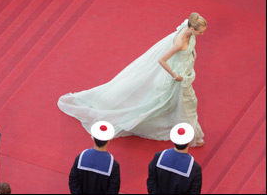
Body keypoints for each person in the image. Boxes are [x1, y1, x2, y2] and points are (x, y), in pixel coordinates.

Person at [58, 12, 207, 147]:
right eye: (200, 32)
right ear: (192, 29)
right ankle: (195, 137)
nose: (201, 34)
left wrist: (192, 55)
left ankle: (191, 133)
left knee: (183, 104)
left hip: (185, 73)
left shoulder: (188, 26)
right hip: (179, 79)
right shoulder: (180, 42)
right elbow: (162, 60)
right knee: (188, 103)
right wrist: (175, 76)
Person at [147, 123, 202, 194]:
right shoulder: (194, 168)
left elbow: (151, 182)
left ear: (173, 140)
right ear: (189, 142)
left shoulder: (158, 157)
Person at [69, 121, 120, 194]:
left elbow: (73, 181)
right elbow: (113, 189)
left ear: (93, 138)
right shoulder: (113, 165)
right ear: (108, 140)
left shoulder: (80, 157)